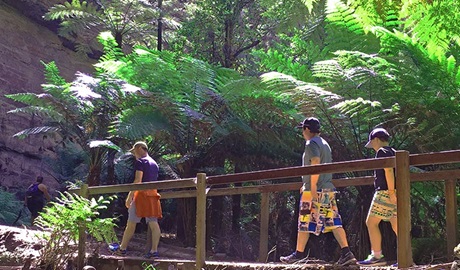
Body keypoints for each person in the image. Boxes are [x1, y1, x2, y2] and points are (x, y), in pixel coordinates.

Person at [280, 117, 357, 266]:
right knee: (333, 221)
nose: (302, 132)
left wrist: (312, 187)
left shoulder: (311, 143)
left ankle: (298, 254)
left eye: (303, 129)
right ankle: (347, 253)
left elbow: (315, 162)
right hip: (327, 189)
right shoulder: (324, 144)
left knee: (304, 222)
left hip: (315, 190)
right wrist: (307, 183)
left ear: (307, 129)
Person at [109, 141, 162, 258]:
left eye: (134, 151)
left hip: (141, 196)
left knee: (131, 223)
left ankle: (122, 249)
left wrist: (130, 195)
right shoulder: (154, 163)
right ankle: (154, 251)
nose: (134, 154)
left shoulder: (140, 162)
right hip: (153, 195)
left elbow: (138, 180)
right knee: (154, 223)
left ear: (139, 149)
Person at [358, 128, 397, 266]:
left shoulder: (382, 152)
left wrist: (391, 192)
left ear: (376, 139)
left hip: (385, 193)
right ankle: (406, 256)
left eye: (372, 143)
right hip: (396, 193)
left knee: (371, 222)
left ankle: (377, 256)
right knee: (397, 225)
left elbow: (388, 170)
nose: (372, 147)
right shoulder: (394, 151)